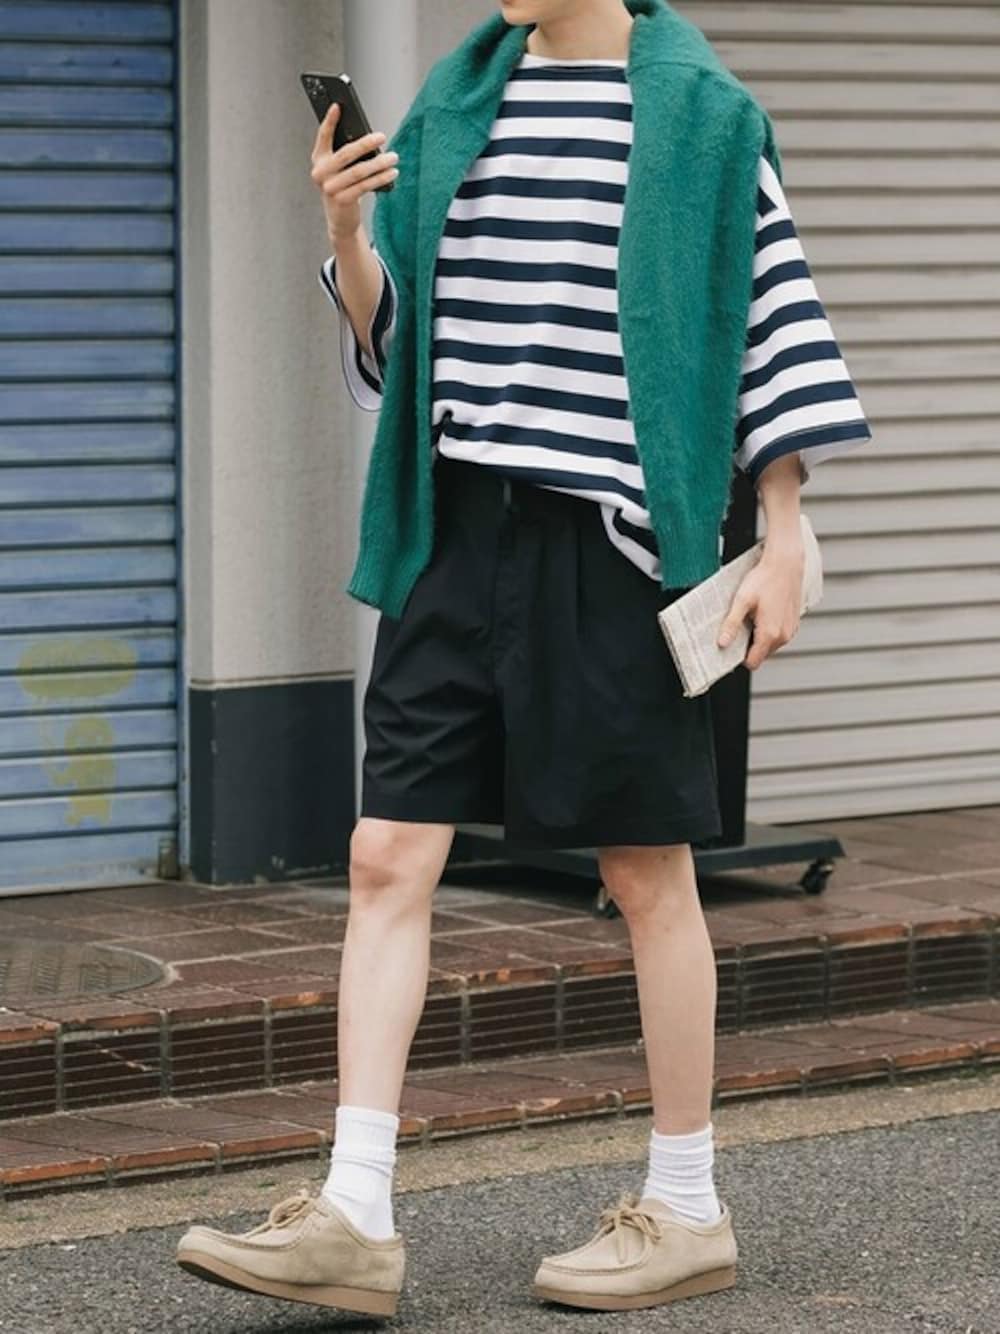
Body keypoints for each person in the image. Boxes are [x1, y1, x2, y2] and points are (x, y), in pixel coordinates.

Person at [176, 0, 871, 1318]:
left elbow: (771, 322)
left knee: (646, 871)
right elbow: (397, 342)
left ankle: (686, 1206)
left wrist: (782, 530)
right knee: (386, 853)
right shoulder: (457, 105)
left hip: (612, 544)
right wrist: (345, 231)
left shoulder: (706, 118)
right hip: (450, 529)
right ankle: (355, 1212)